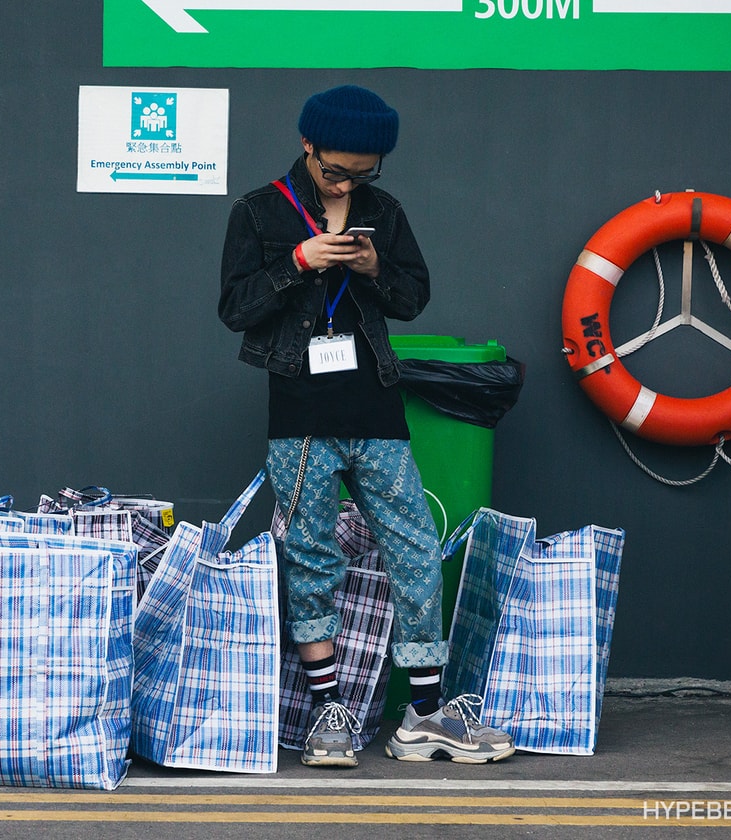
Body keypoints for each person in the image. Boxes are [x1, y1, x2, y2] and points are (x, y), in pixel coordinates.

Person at [218, 85, 514, 767]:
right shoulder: (260, 212)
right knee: (312, 556)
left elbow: (412, 296)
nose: (350, 181)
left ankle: (425, 716)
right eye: (337, 170)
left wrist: (374, 265)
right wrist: (298, 263)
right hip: (300, 414)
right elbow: (235, 307)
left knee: (414, 547)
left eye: (364, 171)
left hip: (375, 405)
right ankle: (330, 713)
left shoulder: (385, 212)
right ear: (308, 146)